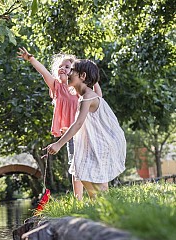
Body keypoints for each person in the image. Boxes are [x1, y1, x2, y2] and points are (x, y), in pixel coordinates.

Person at [17, 47, 102, 200]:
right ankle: (79, 199)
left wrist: (93, 76)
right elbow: (44, 72)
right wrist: (31, 59)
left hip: (85, 131)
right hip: (68, 134)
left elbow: (97, 95)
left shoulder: (78, 89)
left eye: (68, 67)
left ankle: (96, 195)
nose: (63, 68)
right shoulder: (57, 87)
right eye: (61, 66)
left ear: (75, 73)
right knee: (75, 166)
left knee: (88, 162)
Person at [45, 59, 126, 199]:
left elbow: (78, 124)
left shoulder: (87, 97)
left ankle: (102, 203)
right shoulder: (84, 96)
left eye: (72, 71)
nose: (68, 73)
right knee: (81, 170)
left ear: (82, 76)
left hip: (104, 142)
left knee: (83, 170)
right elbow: (83, 123)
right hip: (102, 142)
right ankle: (99, 203)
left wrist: (58, 144)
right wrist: (68, 131)